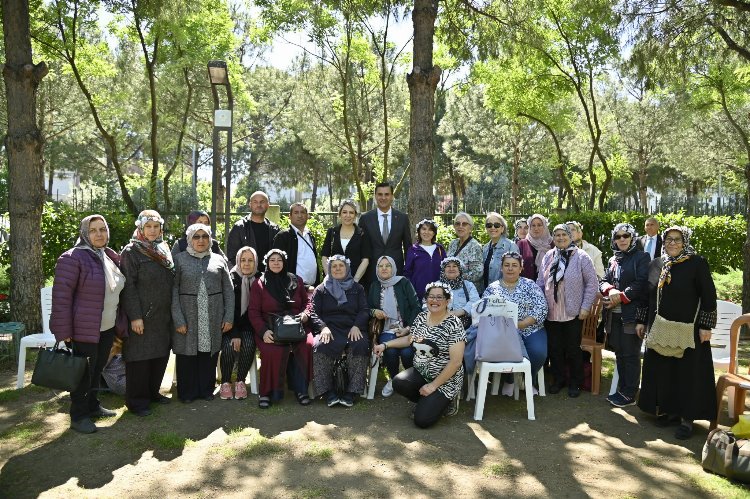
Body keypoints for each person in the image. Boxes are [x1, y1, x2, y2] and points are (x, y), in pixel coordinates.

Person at [637, 226, 717, 440]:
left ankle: (687, 419)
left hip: (689, 332)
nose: (672, 243)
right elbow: (647, 294)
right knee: (664, 372)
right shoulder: (657, 264)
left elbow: (708, 294)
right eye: (668, 239)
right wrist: (641, 321)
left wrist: (706, 326)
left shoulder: (697, 263)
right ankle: (669, 411)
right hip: (659, 329)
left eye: (677, 239)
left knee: (687, 375)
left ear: (685, 241)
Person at [50, 214, 127, 434]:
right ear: (84, 233)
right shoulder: (72, 258)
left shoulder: (109, 256)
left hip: (106, 326)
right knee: (83, 374)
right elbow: (62, 297)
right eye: (93, 230)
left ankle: (92, 406)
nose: (99, 234)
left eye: (102, 229)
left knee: (97, 369)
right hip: (83, 329)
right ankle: (78, 416)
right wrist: (63, 331)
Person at [374, 282, 466, 428]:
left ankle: (447, 400)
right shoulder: (422, 317)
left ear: (447, 301)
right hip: (423, 374)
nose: (434, 301)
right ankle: (428, 401)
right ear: (426, 299)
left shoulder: (454, 324)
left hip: (445, 380)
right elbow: (409, 339)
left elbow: (456, 362)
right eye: (431, 297)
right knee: (398, 382)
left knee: (422, 421)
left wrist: (433, 386)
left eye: (439, 297)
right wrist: (385, 345)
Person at [120, 210, 175, 416]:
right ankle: (136, 402)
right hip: (142, 316)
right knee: (139, 360)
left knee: (160, 356)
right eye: (148, 226)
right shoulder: (131, 251)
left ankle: (153, 393)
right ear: (141, 228)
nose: (152, 230)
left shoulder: (163, 248)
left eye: (156, 226)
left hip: (163, 315)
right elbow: (129, 286)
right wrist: (135, 316)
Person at [171, 224, 234, 403]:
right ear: (190, 239)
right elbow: (173, 291)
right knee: (187, 354)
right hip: (187, 314)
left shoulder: (218, 260)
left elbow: (228, 290)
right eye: (196, 237)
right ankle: (187, 393)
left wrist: (228, 316)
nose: (201, 240)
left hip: (212, 314)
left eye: (205, 236)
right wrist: (178, 319)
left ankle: (206, 390)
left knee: (208, 353)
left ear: (210, 240)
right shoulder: (179, 259)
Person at [248, 249, 318, 408]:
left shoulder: (297, 280)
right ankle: (267, 392)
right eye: (272, 260)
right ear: (267, 262)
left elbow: (308, 303)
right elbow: (253, 312)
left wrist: (306, 314)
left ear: (284, 262)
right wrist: (263, 331)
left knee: (307, 345)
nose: (276, 263)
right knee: (273, 350)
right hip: (270, 328)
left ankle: (301, 390)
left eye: (279, 260)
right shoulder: (259, 284)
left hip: (296, 326)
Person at [537, 224, 598, 398]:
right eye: (557, 235)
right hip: (552, 312)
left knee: (573, 349)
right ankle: (558, 379)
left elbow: (592, 283)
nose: (561, 238)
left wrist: (586, 306)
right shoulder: (549, 256)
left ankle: (575, 382)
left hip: (573, 312)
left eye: (564, 234)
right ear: (553, 238)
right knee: (555, 348)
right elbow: (541, 281)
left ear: (570, 236)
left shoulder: (581, 257)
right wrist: (541, 305)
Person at [483, 251, 549, 396]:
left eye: (514, 265)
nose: (510, 268)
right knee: (507, 353)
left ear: (521, 268)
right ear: (501, 268)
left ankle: (527, 379)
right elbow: (486, 311)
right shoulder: (492, 288)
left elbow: (542, 307)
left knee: (538, 352)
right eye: (507, 265)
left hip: (531, 328)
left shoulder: (530, 285)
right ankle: (510, 380)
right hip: (503, 331)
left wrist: (524, 323)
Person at [599, 223, 650, 408]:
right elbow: (603, 281)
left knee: (631, 354)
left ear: (633, 238)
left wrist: (620, 297)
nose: (621, 239)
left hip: (632, 315)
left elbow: (642, 283)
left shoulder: (642, 257)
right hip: (614, 315)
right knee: (620, 353)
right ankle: (623, 390)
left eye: (625, 236)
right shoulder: (614, 259)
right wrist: (610, 290)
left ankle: (630, 393)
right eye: (618, 236)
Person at [311, 256, 370, 407]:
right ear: (329, 269)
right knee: (320, 346)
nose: (337, 269)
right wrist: (323, 327)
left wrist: (357, 325)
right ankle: (328, 392)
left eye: (340, 266)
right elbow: (314, 313)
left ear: (347, 268)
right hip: (329, 328)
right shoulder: (321, 289)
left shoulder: (358, 288)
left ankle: (352, 392)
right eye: (334, 266)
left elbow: (364, 310)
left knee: (361, 344)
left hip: (352, 327)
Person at [369, 256, 421, 398]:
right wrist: (374, 311)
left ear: (393, 268)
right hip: (386, 328)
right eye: (381, 266)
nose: (384, 268)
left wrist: (408, 327)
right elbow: (366, 308)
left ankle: (411, 381)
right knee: (390, 353)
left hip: (405, 328)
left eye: (388, 265)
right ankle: (393, 379)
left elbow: (416, 307)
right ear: (377, 269)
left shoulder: (403, 282)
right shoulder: (374, 285)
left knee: (407, 353)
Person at [219, 246, 259, 400]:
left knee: (249, 344)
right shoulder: (230, 278)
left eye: (250, 260)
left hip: (249, 326)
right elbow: (227, 309)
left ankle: (241, 380)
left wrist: (245, 332)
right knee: (229, 348)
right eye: (243, 260)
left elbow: (256, 312)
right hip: (229, 326)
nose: (246, 264)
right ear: (237, 261)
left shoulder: (260, 280)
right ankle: (226, 382)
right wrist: (235, 334)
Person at [358, 182, 412, 283]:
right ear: (375, 196)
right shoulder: (365, 219)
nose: (383, 198)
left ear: (392, 196)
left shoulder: (402, 218)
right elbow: (361, 247)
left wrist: (408, 271)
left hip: (396, 270)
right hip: (372, 272)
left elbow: (407, 246)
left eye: (386, 194)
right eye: (380, 194)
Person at [438, 258, 480, 376]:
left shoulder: (468, 285)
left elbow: (476, 303)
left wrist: (459, 312)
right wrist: (442, 314)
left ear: (460, 269)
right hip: (442, 324)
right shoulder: (437, 285)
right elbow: (427, 304)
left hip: (466, 326)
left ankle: (465, 378)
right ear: (443, 270)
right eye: (448, 266)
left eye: (454, 266)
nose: (451, 268)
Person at [321, 199, 371, 285]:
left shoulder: (362, 233)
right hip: (334, 283)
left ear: (355, 215)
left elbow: (365, 260)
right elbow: (324, 257)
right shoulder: (332, 232)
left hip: (355, 283)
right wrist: (330, 278)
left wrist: (355, 281)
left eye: (351, 212)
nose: (348, 215)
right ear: (339, 214)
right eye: (344, 212)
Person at [226, 191, 280, 268]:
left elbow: (279, 255)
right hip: (245, 277)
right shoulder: (239, 227)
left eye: (262, 202)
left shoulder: (274, 229)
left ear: (268, 205)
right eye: (255, 202)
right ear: (250, 205)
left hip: (269, 276)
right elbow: (232, 256)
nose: (258, 205)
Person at [272, 202, 320, 287]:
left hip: (313, 287)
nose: (300, 215)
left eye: (302, 212)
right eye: (296, 212)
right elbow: (276, 265)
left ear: (307, 215)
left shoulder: (310, 235)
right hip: (293, 288)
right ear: (289, 216)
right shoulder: (283, 236)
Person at [404, 218, 447, 300]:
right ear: (419, 231)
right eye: (424, 229)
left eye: (430, 230)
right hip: (418, 294)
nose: (426, 232)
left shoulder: (440, 249)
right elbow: (407, 273)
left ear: (434, 232)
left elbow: (446, 270)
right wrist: (411, 292)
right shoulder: (413, 249)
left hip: (438, 294)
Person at [446, 212, 484, 292]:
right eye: (457, 223)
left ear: (470, 228)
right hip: (452, 289)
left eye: (464, 224)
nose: (460, 226)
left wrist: (457, 276)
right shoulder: (453, 243)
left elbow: (478, 273)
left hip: (468, 292)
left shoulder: (475, 246)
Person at [482, 212, 519, 292]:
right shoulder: (485, 248)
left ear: (502, 228)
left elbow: (515, 271)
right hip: (487, 292)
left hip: (505, 292)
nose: (493, 228)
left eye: (496, 225)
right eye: (489, 225)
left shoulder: (510, 246)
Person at [517, 214, 553, 281]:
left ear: (544, 226)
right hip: (527, 286)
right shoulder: (522, 243)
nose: (536, 228)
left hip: (548, 286)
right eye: (533, 225)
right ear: (530, 227)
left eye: (539, 225)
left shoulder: (552, 244)